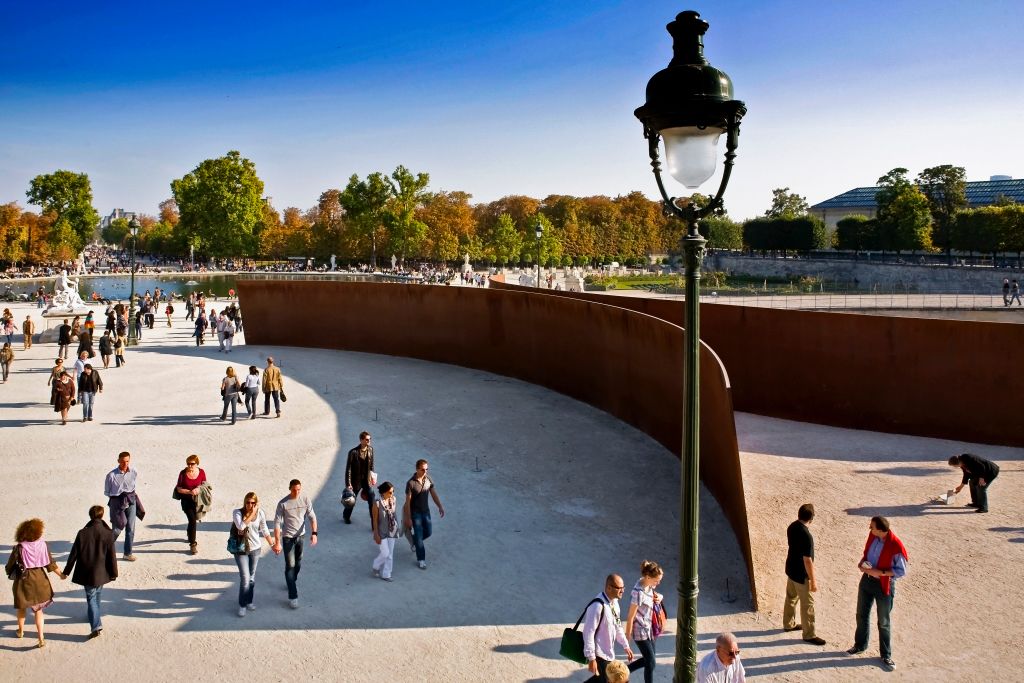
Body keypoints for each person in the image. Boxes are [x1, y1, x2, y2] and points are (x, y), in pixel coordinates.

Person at [847, 515, 908, 671]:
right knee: (861, 614)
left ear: (880, 530)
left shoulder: (896, 546)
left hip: (884, 585)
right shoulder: (873, 537)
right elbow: (867, 555)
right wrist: (862, 563)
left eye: (872, 526)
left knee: (883, 622)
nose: (870, 529)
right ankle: (859, 645)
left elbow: (901, 571)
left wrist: (878, 572)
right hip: (866, 580)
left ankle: (886, 655)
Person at [6, 518, 66, 648]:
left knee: (22, 608)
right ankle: (41, 638)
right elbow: (50, 564)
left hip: (23, 581)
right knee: (38, 611)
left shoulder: (19, 548)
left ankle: (21, 631)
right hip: (40, 580)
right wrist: (61, 574)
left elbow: (9, 566)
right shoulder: (43, 544)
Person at [62, 505, 118, 639]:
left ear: (90, 516)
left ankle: (96, 625)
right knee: (97, 594)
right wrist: (114, 573)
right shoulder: (108, 533)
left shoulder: (82, 533)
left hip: (87, 572)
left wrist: (66, 572)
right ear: (102, 515)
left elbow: (73, 555)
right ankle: (94, 616)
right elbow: (112, 556)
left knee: (92, 597)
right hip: (102, 572)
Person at [783, 503, 826, 645]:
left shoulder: (792, 526)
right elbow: (807, 561)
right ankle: (809, 634)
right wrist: (813, 580)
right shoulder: (807, 536)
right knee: (807, 605)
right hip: (802, 575)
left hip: (791, 569)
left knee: (791, 598)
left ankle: (788, 624)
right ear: (811, 518)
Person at [273, 479, 318, 609]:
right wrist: (277, 543)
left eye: (299, 489)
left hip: (301, 536)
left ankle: (291, 580)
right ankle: (293, 595)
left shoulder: (305, 500)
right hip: (287, 538)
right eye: (294, 489)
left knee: (298, 562)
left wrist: (314, 533)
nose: (297, 492)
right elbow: (277, 524)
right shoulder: (283, 503)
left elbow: (312, 517)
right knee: (290, 565)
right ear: (290, 489)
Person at [582, 574, 634, 681]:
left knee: (600, 679)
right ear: (609, 588)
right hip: (599, 655)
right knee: (606, 680)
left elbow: (618, 626)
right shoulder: (597, 606)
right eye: (619, 588)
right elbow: (588, 633)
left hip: (609, 654)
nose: (623, 590)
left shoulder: (615, 603)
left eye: (623, 587)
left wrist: (625, 645)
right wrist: (592, 658)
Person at [232, 492, 277, 617]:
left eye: (253, 503)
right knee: (245, 578)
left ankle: (249, 601)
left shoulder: (260, 513)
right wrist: (252, 512)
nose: (250, 505)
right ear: (244, 502)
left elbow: (264, 529)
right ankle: (242, 605)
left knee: (251, 577)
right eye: (248, 502)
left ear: (256, 503)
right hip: (241, 550)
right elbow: (241, 526)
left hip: (255, 549)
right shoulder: (237, 513)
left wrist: (272, 545)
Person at [625, 560, 664, 683]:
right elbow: (630, 617)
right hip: (639, 632)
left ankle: (624, 670)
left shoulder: (649, 584)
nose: (658, 583)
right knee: (651, 662)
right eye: (656, 580)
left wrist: (660, 597)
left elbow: (656, 593)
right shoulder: (638, 593)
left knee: (650, 662)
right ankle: (624, 671)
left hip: (649, 629)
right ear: (647, 577)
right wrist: (627, 641)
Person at [403, 458, 445, 570]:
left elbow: (433, 494)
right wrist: (408, 518)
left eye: (427, 469)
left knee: (428, 532)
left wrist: (440, 506)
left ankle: (414, 540)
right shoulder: (410, 483)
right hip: (415, 514)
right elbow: (407, 502)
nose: (425, 472)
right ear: (417, 469)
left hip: (426, 512)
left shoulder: (428, 479)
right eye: (423, 469)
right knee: (420, 537)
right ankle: (421, 559)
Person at [104, 451, 143, 561]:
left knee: (131, 528)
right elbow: (107, 492)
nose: (125, 464)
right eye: (123, 461)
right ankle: (104, 550)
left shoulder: (134, 472)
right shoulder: (111, 475)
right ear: (118, 461)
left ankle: (127, 553)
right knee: (117, 529)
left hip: (131, 501)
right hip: (117, 503)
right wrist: (117, 500)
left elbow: (133, 485)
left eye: (127, 461)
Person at [175, 455, 207, 555]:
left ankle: (190, 534)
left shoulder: (201, 472)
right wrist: (189, 492)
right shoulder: (183, 473)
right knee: (192, 520)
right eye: (188, 463)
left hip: (198, 501)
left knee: (192, 520)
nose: (189, 466)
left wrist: (198, 489)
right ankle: (193, 544)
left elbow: (204, 484)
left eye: (192, 464)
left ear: (197, 463)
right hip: (186, 501)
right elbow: (179, 489)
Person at [344, 431, 377, 525]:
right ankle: (346, 516)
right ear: (361, 440)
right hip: (356, 481)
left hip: (367, 481)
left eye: (370, 439)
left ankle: (373, 523)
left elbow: (371, 466)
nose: (369, 441)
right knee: (351, 501)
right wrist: (348, 484)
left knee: (372, 500)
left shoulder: (371, 450)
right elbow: (348, 469)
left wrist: (373, 477)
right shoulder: (353, 452)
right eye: (367, 439)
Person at [371, 481, 402, 581]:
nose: (392, 494)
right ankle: (376, 565)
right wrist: (376, 534)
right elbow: (374, 520)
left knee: (390, 554)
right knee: (385, 553)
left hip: (392, 530)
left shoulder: (393, 499)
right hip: (381, 531)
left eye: (393, 491)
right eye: (390, 492)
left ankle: (386, 574)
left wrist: (397, 527)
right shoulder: (376, 504)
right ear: (383, 492)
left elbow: (394, 514)